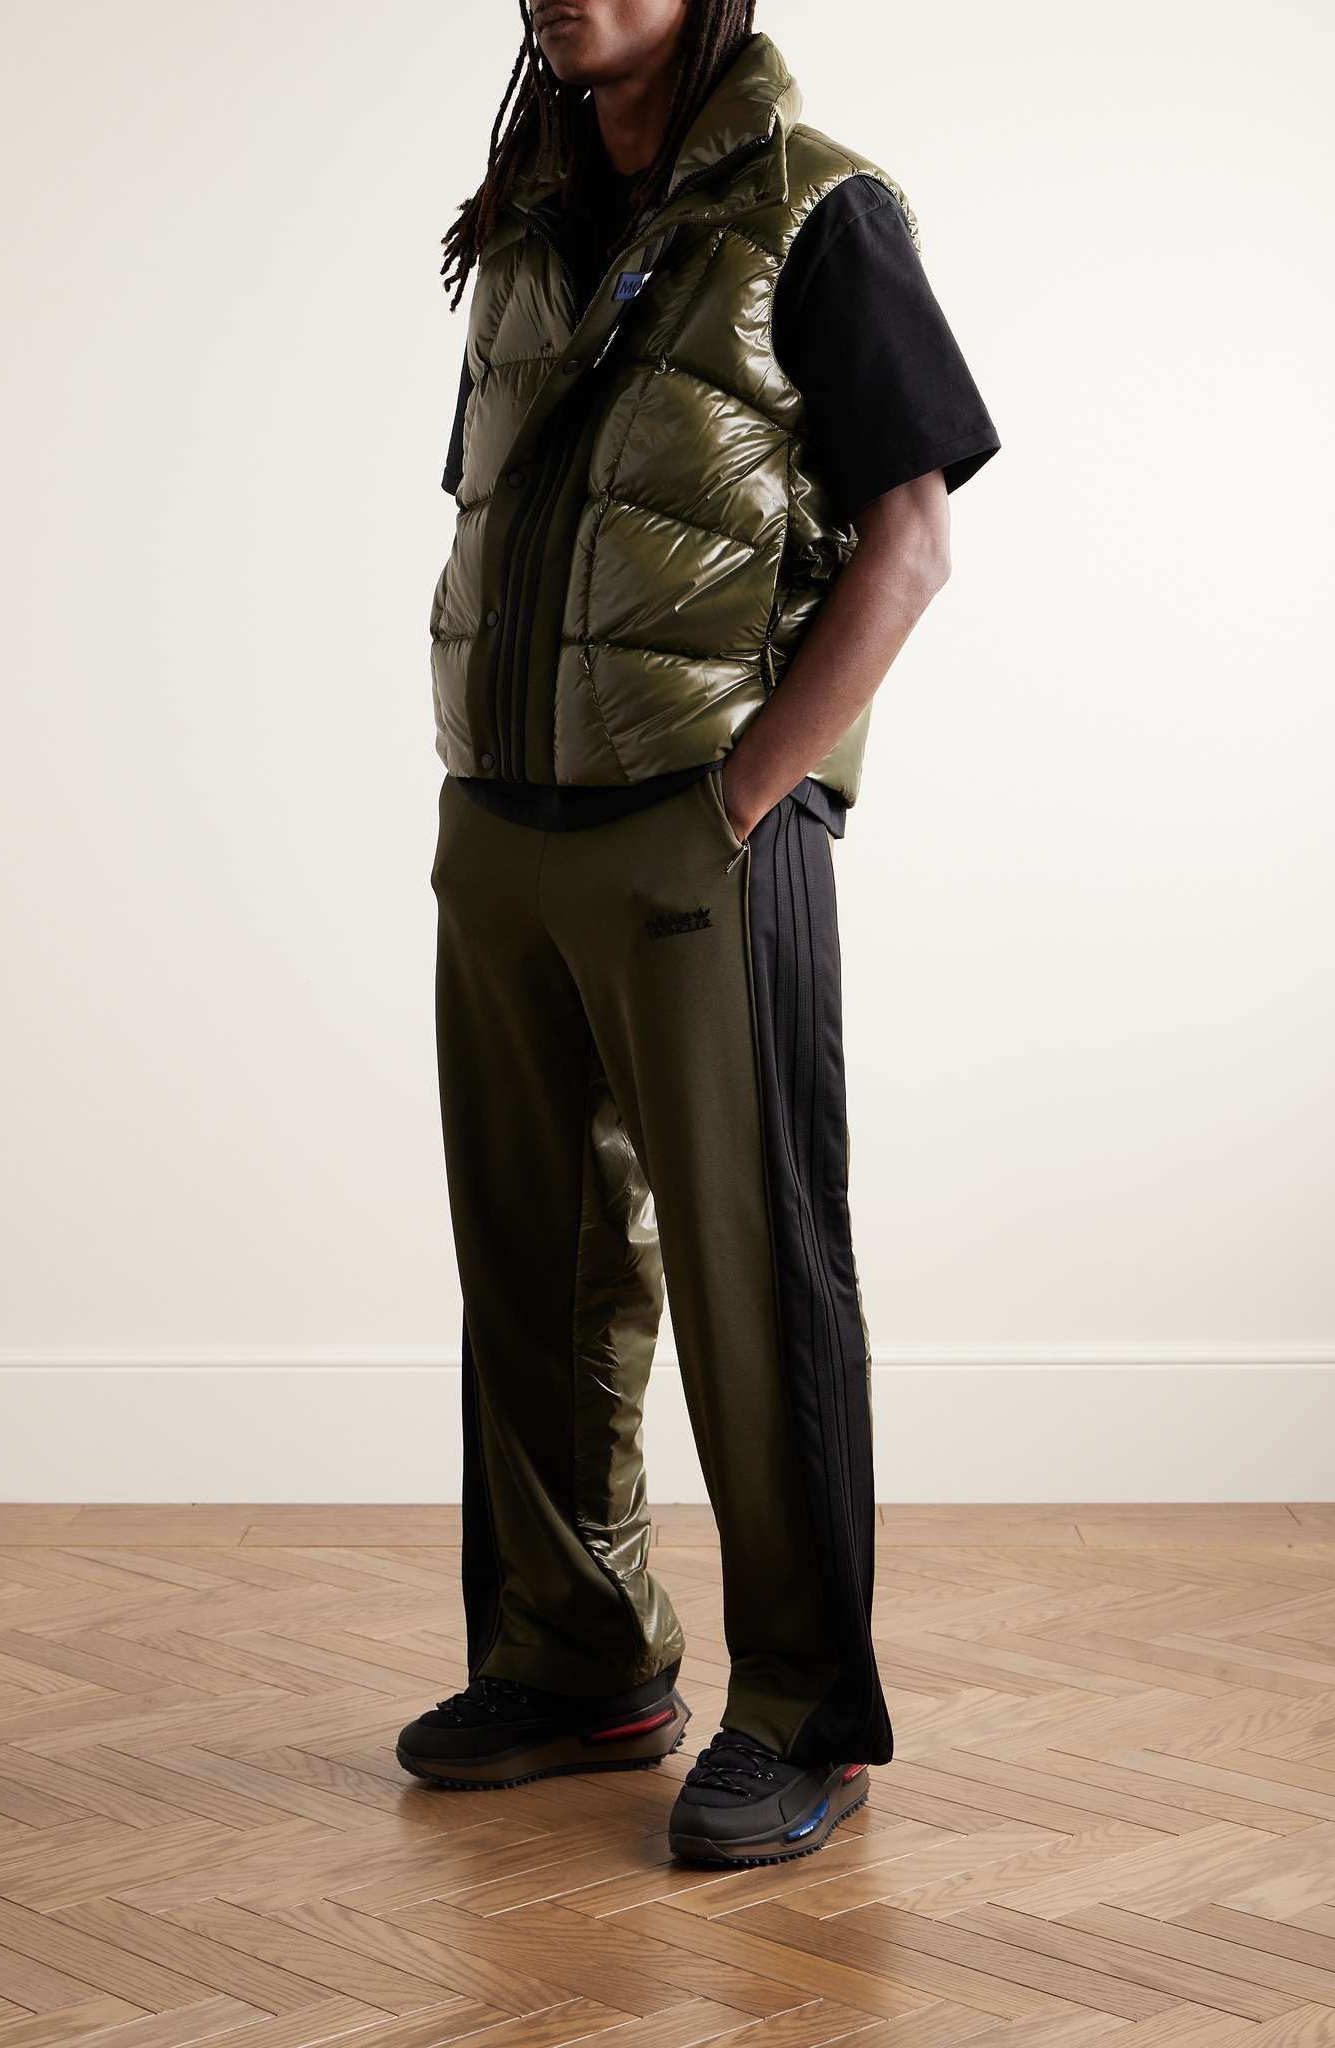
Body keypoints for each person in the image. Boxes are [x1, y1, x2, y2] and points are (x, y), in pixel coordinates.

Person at [398, 0, 1000, 1867]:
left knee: (758, 1281)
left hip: (696, 832)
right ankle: (576, 1660)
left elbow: (912, 539)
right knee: (533, 1269)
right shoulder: (519, 220)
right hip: (504, 821)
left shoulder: (820, 210)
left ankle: (805, 1711)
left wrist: (747, 796)